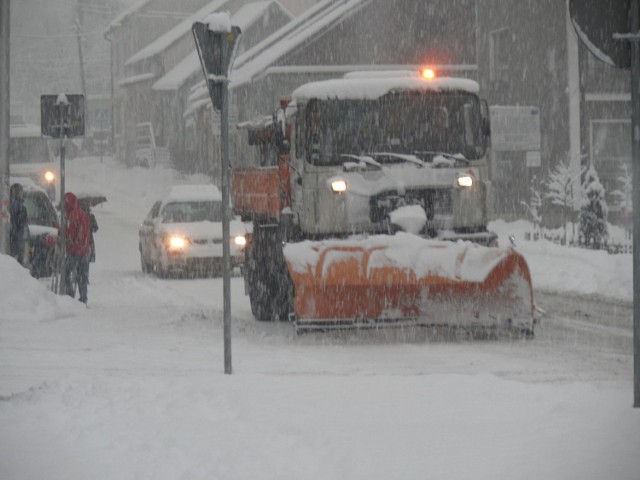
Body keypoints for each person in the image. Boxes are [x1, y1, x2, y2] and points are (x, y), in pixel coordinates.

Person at [62, 192, 91, 304]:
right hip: (84, 249)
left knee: (67, 271)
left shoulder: (73, 215)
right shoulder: (82, 214)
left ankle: (69, 294)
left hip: (74, 250)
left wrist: (67, 237)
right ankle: (83, 297)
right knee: (82, 276)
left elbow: (71, 233)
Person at [9, 183, 29, 266]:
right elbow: (21, 223)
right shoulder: (19, 206)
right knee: (18, 263)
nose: (22, 194)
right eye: (21, 192)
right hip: (17, 237)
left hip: (12, 236)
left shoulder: (8, 203)